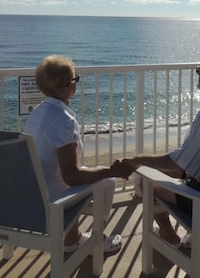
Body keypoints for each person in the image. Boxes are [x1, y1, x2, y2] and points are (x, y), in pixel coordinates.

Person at [123, 52, 200, 247]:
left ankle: (168, 235)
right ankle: (195, 232)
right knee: (170, 172)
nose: (197, 74)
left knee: (143, 179)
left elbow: (178, 161)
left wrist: (138, 160)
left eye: (199, 71)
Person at [24, 55, 133, 253]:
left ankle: (73, 238)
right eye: (76, 79)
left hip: (31, 188)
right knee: (108, 183)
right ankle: (96, 239)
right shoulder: (63, 121)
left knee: (91, 174)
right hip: (51, 195)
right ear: (69, 87)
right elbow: (72, 176)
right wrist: (112, 171)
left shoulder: (37, 112)